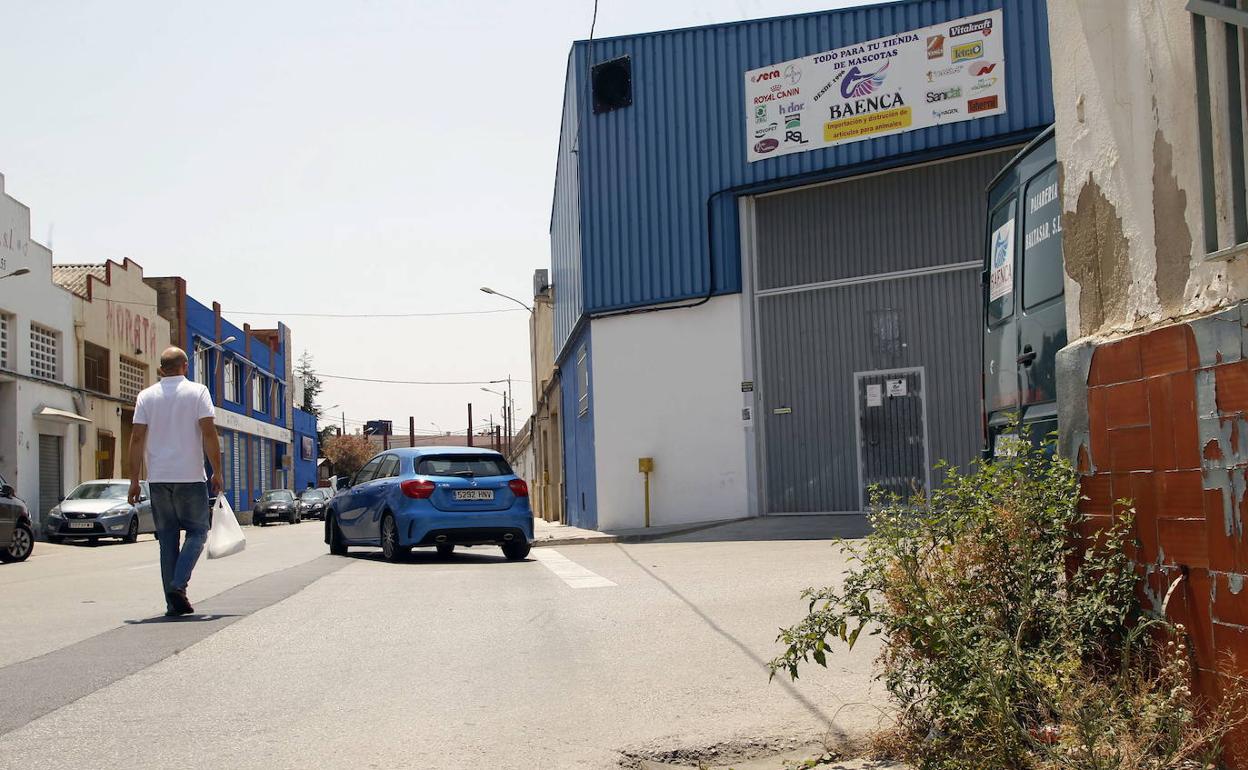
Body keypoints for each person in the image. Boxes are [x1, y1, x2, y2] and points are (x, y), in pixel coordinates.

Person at [128, 346, 223, 617]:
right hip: (190, 477)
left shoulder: (146, 397)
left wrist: (134, 480)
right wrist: (217, 471)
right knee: (198, 531)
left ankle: (173, 603)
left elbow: (136, 439)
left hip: (158, 479)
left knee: (167, 539)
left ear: (161, 369)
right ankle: (178, 585)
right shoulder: (198, 392)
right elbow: (208, 433)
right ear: (185, 367)